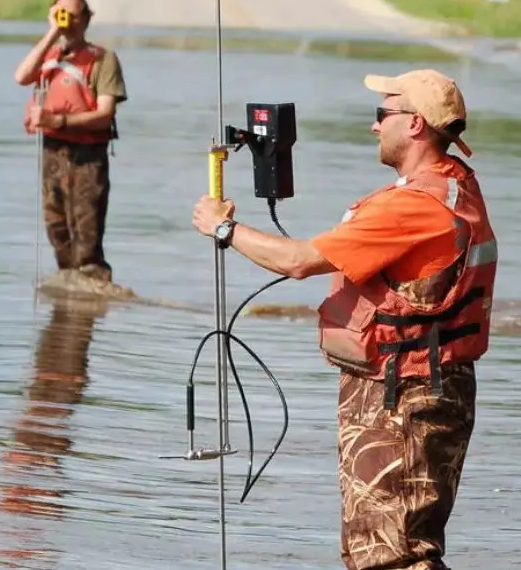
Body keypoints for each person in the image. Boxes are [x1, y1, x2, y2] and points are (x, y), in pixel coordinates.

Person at [191, 69, 498, 570]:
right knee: (393, 545)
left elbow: (298, 261)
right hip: (428, 386)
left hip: (402, 398)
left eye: (384, 114)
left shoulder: (411, 208)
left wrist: (223, 227)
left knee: (391, 555)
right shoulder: (455, 185)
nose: (375, 126)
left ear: (416, 125)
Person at [16, 0, 128, 283]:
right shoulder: (48, 55)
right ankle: (69, 300)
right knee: (56, 227)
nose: (68, 21)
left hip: (87, 156)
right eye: (60, 13)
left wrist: (59, 119)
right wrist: (53, 32)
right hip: (53, 152)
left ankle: (94, 284)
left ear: (87, 19)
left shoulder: (103, 60)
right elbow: (21, 76)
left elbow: (105, 113)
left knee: (86, 228)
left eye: (74, 15)